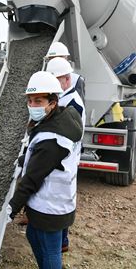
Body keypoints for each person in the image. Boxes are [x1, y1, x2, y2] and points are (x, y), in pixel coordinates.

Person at [7, 71, 83, 269]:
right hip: (53, 198)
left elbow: (32, 178)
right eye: (30, 100)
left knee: (50, 249)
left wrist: (11, 207)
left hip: (52, 202)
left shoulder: (53, 137)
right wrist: (22, 158)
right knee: (33, 234)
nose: (32, 106)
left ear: (53, 101)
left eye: (38, 101)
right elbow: (36, 156)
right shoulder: (60, 118)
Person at [46, 56, 86, 253]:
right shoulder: (63, 97)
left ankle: (62, 241)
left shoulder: (73, 103)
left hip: (66, 158)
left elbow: (70, 135)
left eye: (57, 80)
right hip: (59, 156)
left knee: (63, 201)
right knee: (56, 198)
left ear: (67, 80)